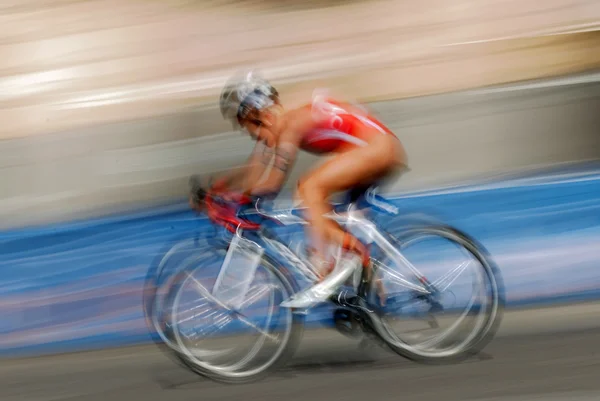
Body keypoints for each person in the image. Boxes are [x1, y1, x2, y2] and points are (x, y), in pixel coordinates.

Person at [192, 71, 408, 308]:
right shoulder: (277, 126)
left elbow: (272, 184)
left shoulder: (291, 125)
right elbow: (253, 171)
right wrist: (217, 190)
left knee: (309, 188)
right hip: (374, 147)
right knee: (326, 215)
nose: (249, 134)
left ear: (257, 116)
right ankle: (371, 297)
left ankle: (324, 271)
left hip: (377, 148)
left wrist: (237, 200)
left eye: (246, 127)